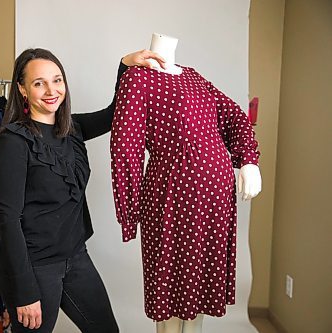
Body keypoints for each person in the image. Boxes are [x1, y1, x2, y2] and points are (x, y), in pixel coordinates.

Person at [0, 48, 166, 333]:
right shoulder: (13, 142)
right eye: (39, 83)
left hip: (76, 257)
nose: (51, 90)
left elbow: (115, 113)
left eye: (57, 80)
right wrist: (24, 291)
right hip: (34, 267)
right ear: (22, 89)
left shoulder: (72, 129)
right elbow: (7, 221)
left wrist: (124, 65)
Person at [110, 33, 262, 333]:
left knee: (199, 284)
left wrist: (248, 161)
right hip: (173, 195)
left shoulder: (193, 77)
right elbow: (124, 149)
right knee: (170, 285)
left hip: (216, 201)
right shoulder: (137, 80)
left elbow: (235, 117)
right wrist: (130, 213)